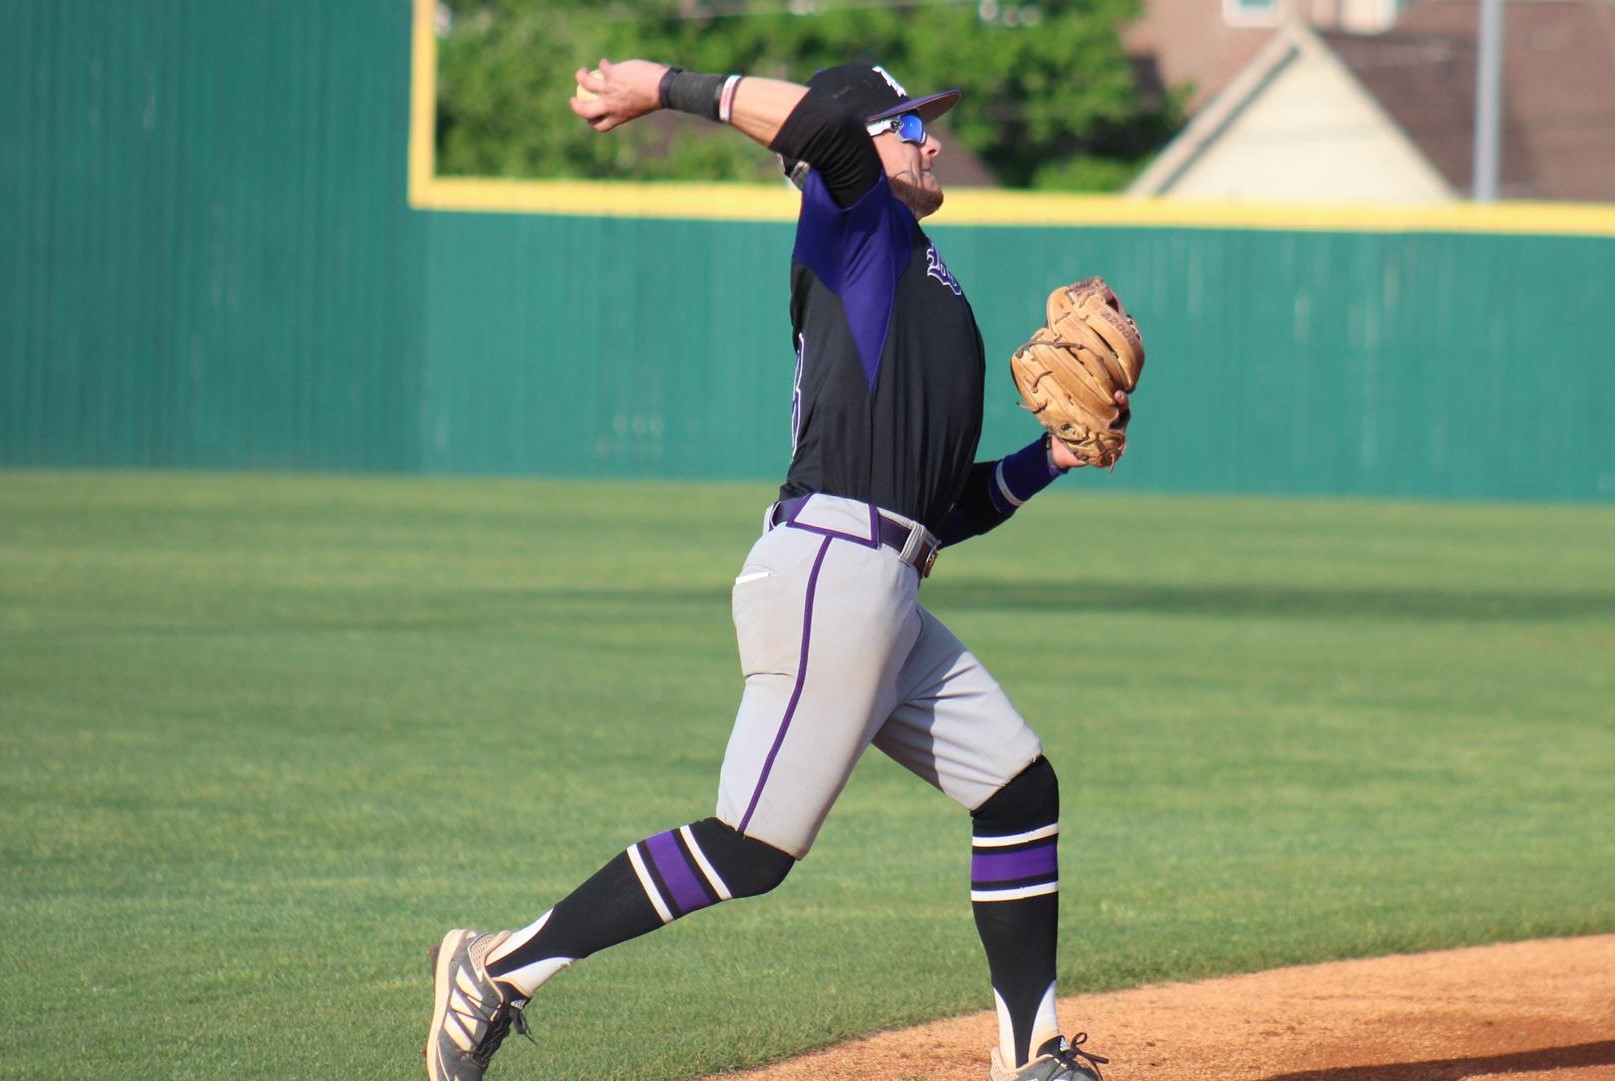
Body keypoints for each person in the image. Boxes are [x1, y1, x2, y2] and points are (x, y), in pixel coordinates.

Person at [423, 57, 1128, 1081]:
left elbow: (941, 511)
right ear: (857, 135)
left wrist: (1049, 461)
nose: (931, 141)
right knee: (753, 848)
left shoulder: (923, 273)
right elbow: (828, 135)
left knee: (1017, 789)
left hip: (886, 583)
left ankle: (1031, 1055)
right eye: (909, 125)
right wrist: (661, 85)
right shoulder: (857, 226)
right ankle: (498, 967)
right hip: (830, 571)